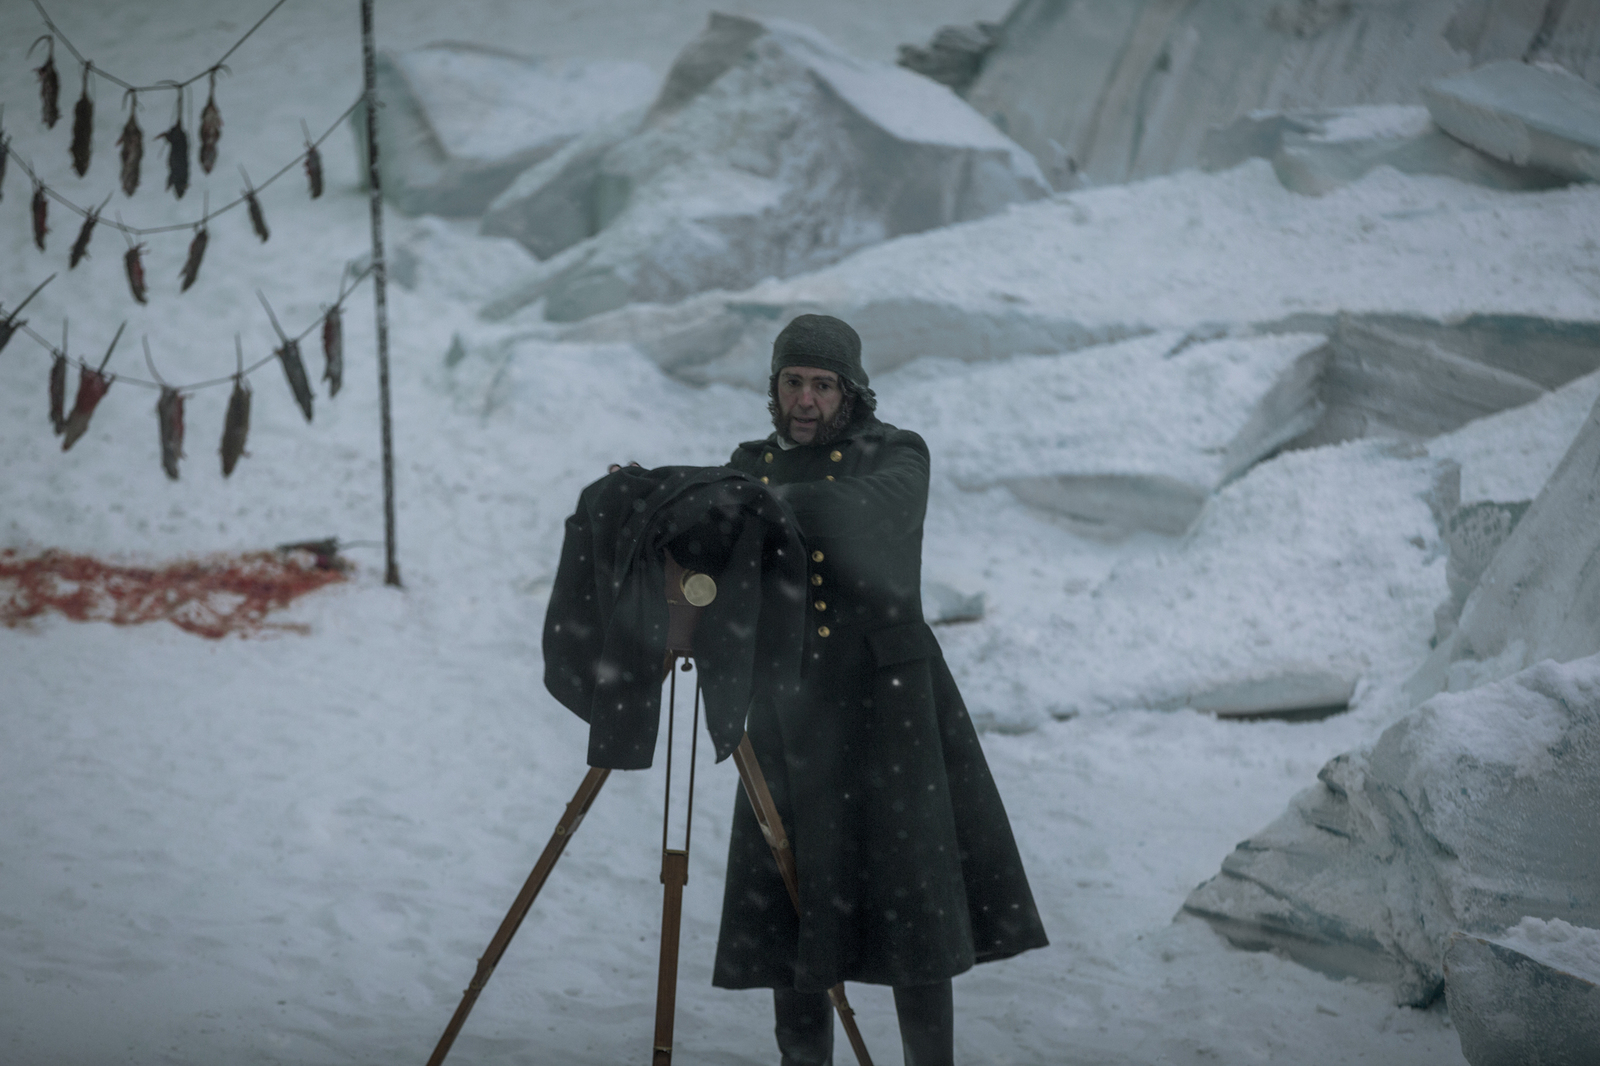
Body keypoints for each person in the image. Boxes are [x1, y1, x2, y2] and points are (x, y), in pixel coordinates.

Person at [713, 314, 1048, 1066]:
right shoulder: (749, 462)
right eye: (792, 382)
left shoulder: (896, 455)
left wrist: (739, 503)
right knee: (794, 909)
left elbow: (855, 514)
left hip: (887, 714)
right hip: (787, 713)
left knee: (912, 911)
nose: (805, 400)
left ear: (851, 390)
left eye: (822, 385)